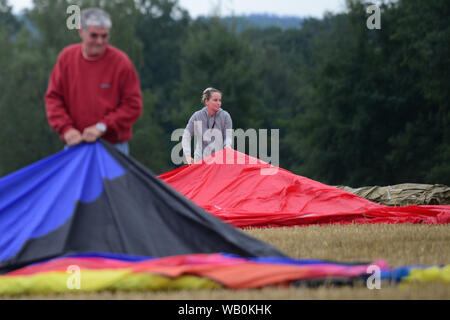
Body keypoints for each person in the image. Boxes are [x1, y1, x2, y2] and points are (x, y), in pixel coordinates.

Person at [45, 8, 142, 155]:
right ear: (81, 32)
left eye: (104, 36)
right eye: (94, 35)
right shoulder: (67, 58)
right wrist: (66, 129)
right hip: (76, 146)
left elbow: (133, 105)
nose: (100, 41)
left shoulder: (121, 62)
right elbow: (53, 98)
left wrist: (102, 127)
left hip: (113, 148)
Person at [182, 87, 232, 164]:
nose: (219, 103)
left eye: (220, 100)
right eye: (215, 100)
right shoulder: (197, 116)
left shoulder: (225, 116)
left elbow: (228, 136)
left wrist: (227, 146)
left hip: (219, 161)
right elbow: (186, 136)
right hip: (200, 161)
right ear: (207, 101)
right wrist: (188, 156)